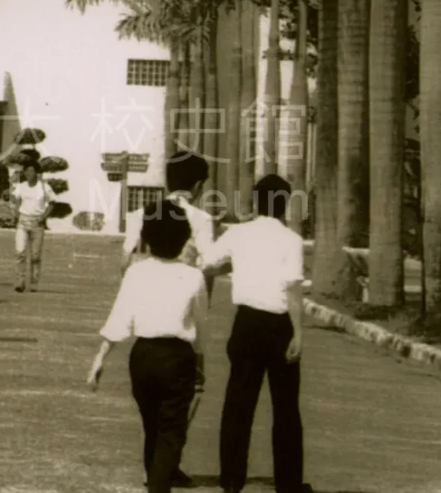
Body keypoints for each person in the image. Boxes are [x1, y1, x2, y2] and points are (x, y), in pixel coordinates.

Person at [87, 200, 208, 493]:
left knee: (152, 427)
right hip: (178, 358)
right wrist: (200, 366)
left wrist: (99, 359)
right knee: (171, 432)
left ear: (148, 238)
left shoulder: (136, 272)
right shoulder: (193, 276)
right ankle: (157, 487)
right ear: (183, 240)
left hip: (142, 358)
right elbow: (202, 330)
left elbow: (119, 319)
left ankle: (154, 481)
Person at [202, 175, 311, 493]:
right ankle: (288, 484)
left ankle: (232, 480)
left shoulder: (238, 234)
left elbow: (207, 264)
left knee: (238, 402)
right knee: (286, 407)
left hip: (246, 323)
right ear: (285, 205)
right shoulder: (290, 240)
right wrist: (299, 334)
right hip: (279, 326)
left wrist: (235, 267)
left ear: (256, 202)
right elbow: (292, 290)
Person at [10, 159, 55, 293]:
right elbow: (16, 200)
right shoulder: (21, 186)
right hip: (23, 222)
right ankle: (20, 281)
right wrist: (17, 213)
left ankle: (34, 283)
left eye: (31, 170)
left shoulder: (44, 187)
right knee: (20, 252)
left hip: (37, 222)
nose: (29, 173)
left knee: (35, 255)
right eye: (27, 171)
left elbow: (52, 202)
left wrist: (43, 217)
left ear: (36, 172)